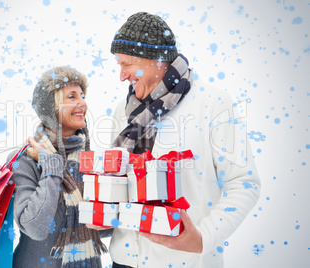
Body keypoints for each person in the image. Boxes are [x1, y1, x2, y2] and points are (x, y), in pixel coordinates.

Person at [107, 12, 261, 268]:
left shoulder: (213, 104)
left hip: (184, 261)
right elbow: (115, 183)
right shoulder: (123, 111)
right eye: (118, 65)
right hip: (122, 261)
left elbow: (244, 183)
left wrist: (203, 238)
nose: (121, 75)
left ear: (155, 60)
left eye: (127, 64)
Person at [9, 66, 107, 267]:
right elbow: (35, 228)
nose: (82, 103)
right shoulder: (26, 160)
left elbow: (99, 227)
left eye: (82, 95)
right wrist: (52, 167)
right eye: (71, 96)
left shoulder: (88, 160)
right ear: (51, 110)